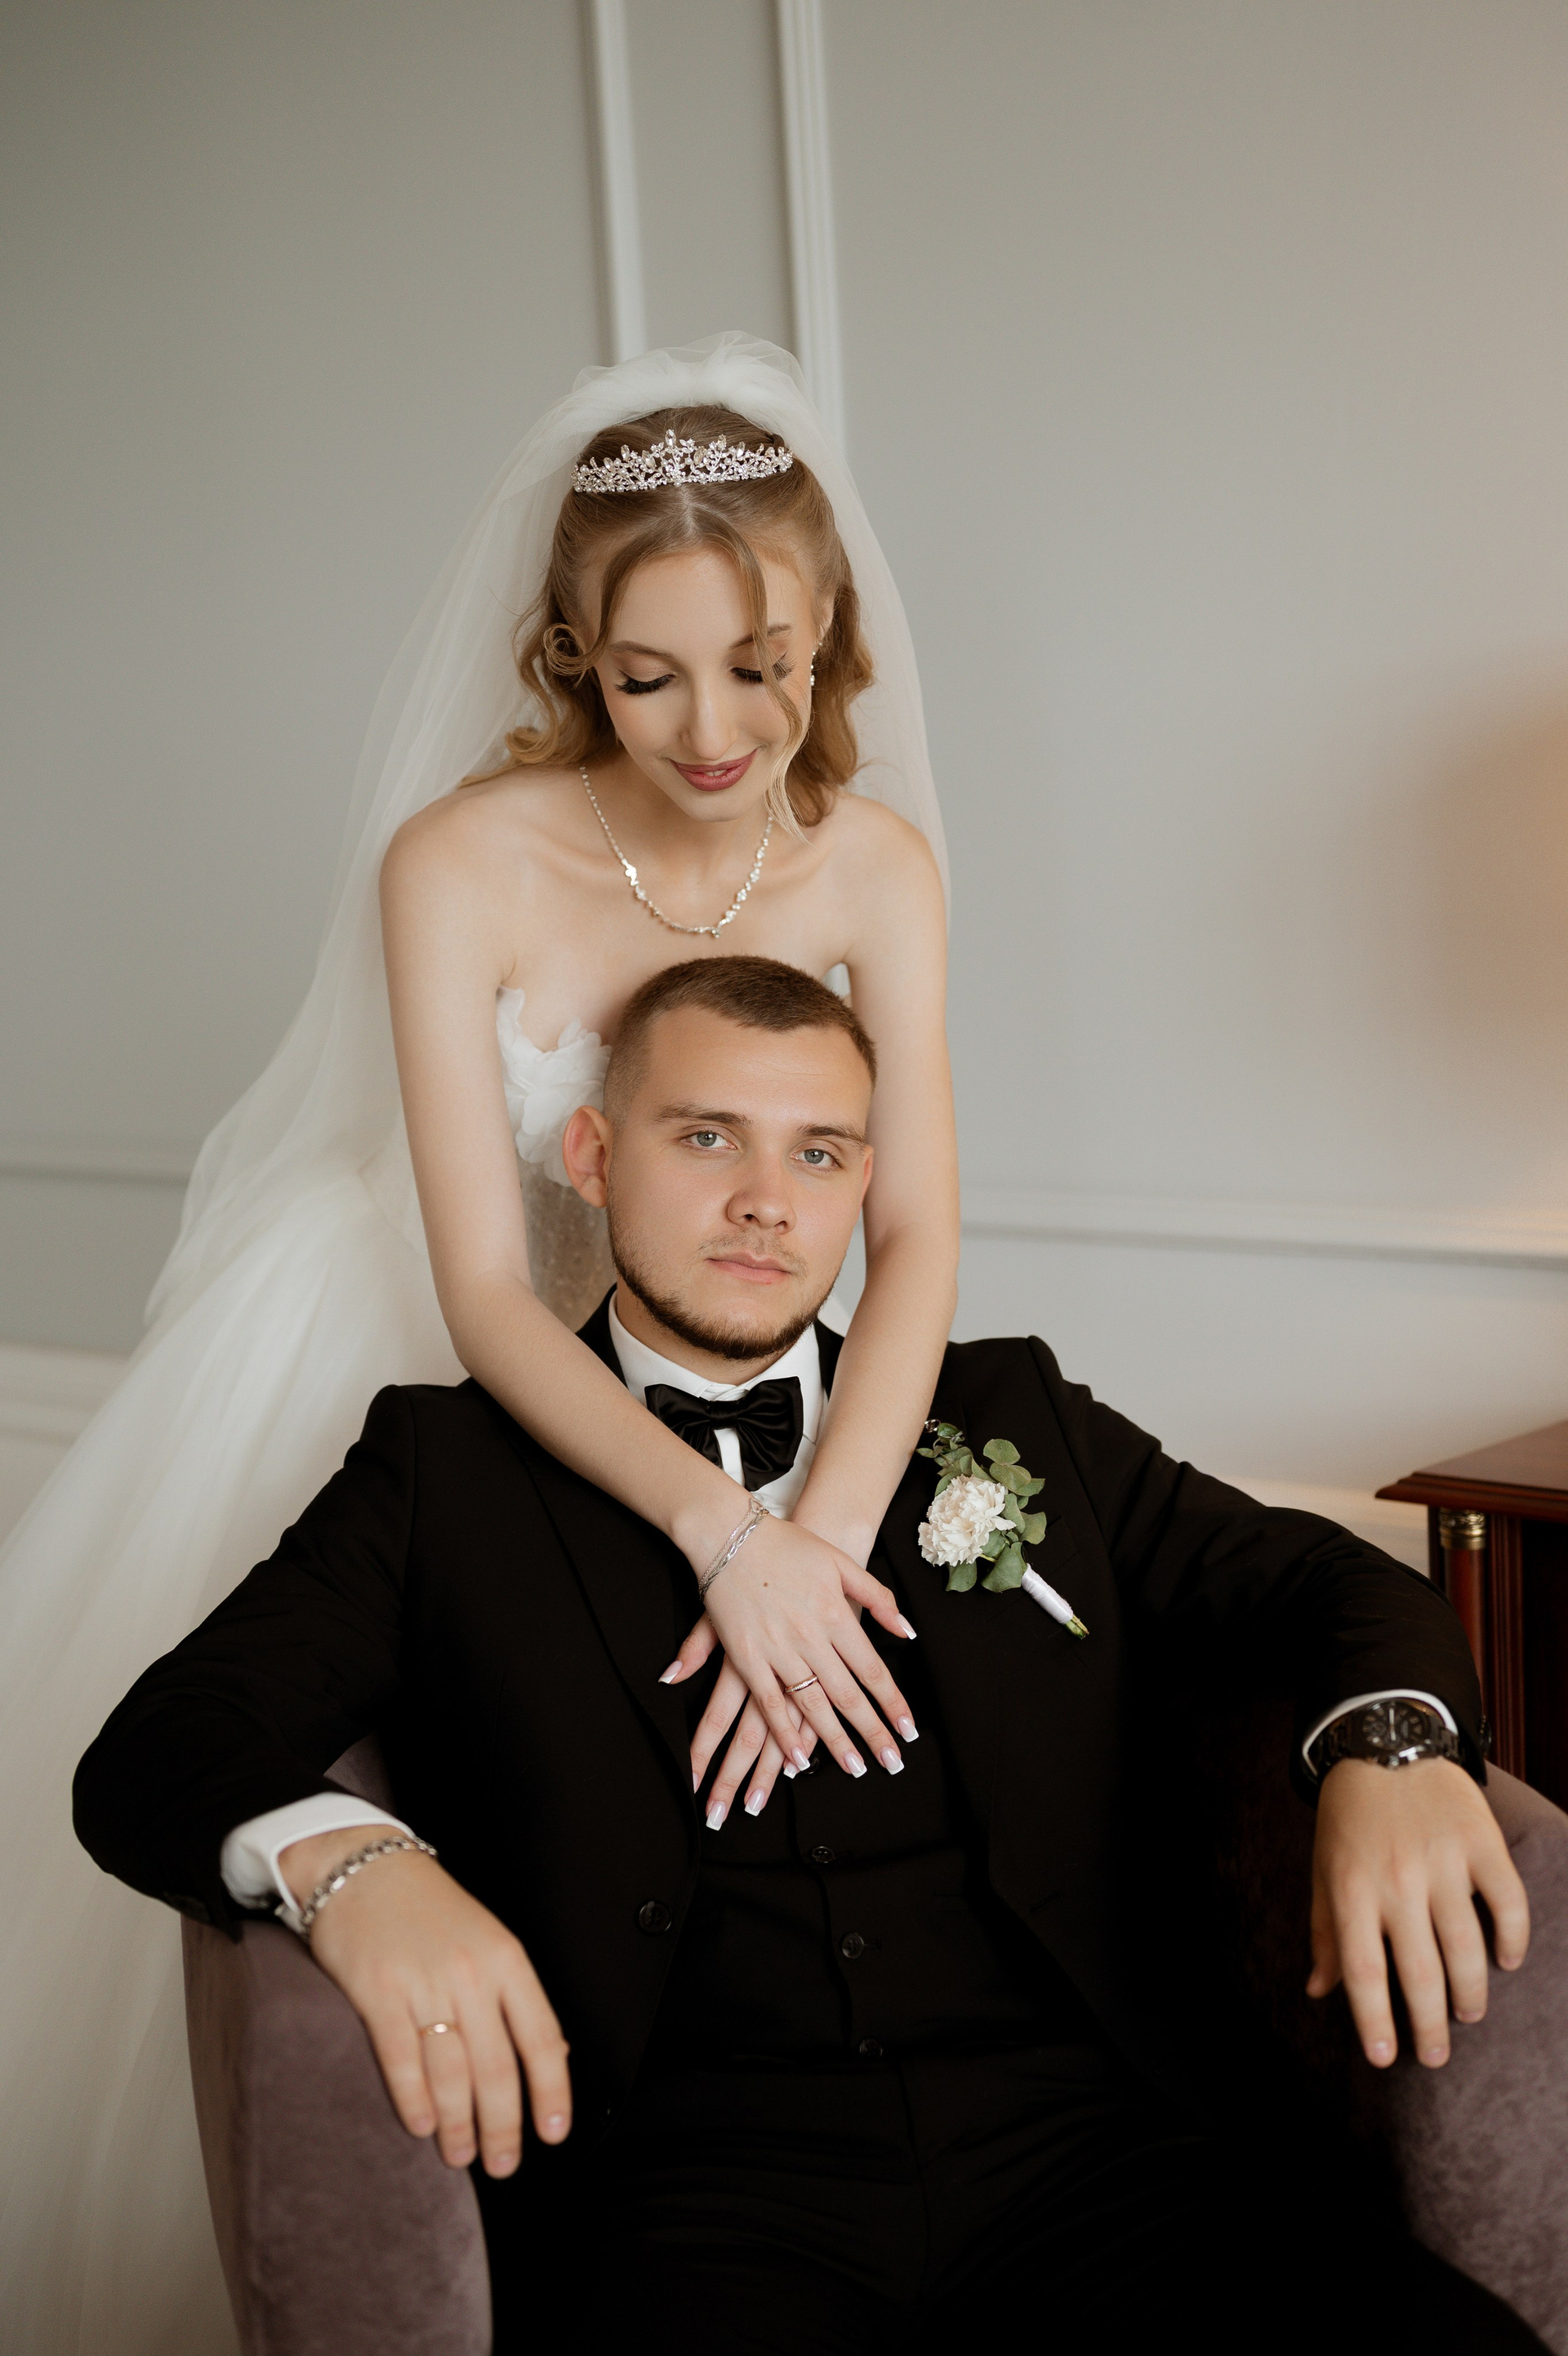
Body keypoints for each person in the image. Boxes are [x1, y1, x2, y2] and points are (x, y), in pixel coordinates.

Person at [77, 957, 1542, 2354]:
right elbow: (166, 1739)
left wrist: (1394, 1745)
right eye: (707, 1135)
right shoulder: (444, 1475)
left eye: (820, 1153)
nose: (766, 1201)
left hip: (1096, 2161)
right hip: (682, 2198)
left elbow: (1329, 1583)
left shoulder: (1011, 1416)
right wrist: (358, 1863)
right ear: (593, 1155)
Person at [1, 336, 951, 2353]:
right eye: (650, 676)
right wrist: (716, 1532)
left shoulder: (876, 866)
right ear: (573, 654)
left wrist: (813, 1543)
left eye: (765, 666)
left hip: (732, 1339)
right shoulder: (459, 861)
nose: (717, 729)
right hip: (453, 1346)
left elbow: (923, 1230)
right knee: (416, 1727)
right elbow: (487, 1290)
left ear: (831, 638)